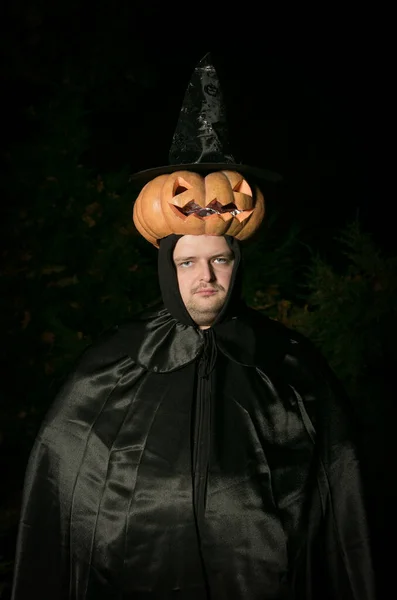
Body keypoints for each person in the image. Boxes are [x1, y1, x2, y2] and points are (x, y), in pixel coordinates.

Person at [11, 54, 376, 600]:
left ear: (238, 262)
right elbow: (61, 509)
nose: (206, 276)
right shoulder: (109, 367)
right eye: (188, 262)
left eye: (220, 260)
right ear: (166, 268)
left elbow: (340, 511)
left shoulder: (294, 368)